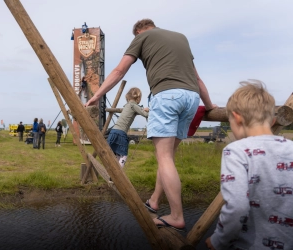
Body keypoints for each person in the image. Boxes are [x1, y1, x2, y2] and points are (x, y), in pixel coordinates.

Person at [85, 19, 216, 231]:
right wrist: (209, 105)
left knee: (164, 159)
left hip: (167, 96)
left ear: (138, 32)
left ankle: (176, 216)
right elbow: (197, 78)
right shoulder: (181, 37)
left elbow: (119, 71)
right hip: (191, 99)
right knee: (168, 159)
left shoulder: (141, 38)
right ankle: (154, 201)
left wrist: (97, 96)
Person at [206, 81, 293, 250]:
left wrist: (218, 241)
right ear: (273, 120)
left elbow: (237, 207)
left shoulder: (236, 151)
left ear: (237, 118)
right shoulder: (291, 147)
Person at [107, 87, 148, 168]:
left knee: (116, 155)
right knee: (123, 156)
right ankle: (119, 174)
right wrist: (147, 110)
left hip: (113, 131)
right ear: (138, 97)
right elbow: (145, 114)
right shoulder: (134, 105)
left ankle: (112, 175)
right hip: (121, 133)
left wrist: (142, 108)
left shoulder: (127, 105)